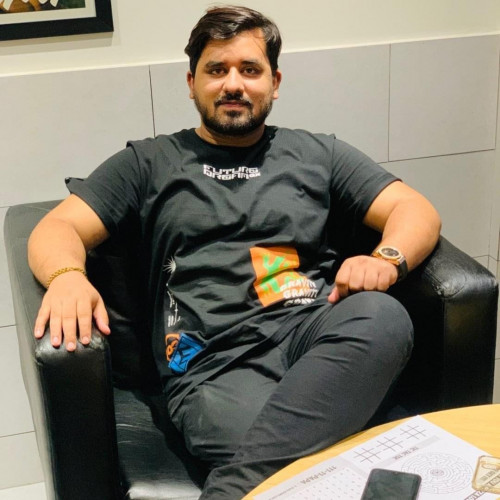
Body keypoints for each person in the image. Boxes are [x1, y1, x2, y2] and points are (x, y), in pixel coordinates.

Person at [28, 5, 441, 499]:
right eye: (216, 70)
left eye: (249, 70)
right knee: (263, 441)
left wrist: (386, 258)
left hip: (312, 331)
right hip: (212, 364)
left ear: (275, 82)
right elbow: (57, 227)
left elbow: (414, 209)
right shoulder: (148, 163)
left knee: (382, 316)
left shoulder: (317, 154)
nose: (233, 84)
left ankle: (237, 486)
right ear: (191, 83)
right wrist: (68, 276)